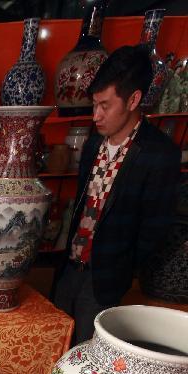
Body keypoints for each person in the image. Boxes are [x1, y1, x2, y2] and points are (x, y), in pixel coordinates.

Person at [52, 45, 181, 344]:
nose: (96, 115)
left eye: (105, 105)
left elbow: (155, 228)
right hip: (71, 267)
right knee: (56, 348)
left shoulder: (158, 154)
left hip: (106, 278)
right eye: (94, 104)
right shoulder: (92, 146)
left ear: (133, 99)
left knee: (88, 356)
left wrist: (122, 267)